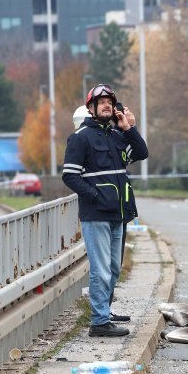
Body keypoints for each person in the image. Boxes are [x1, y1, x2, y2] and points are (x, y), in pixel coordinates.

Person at [62, 84, 148, 337]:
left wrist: (129, 128)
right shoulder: (80, 138)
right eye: (101, 103)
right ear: (91, 108)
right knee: (100, 268)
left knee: (113, 268)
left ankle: (104, 315)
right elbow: (70, 176)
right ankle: (99, 322)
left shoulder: (117, 137)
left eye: (110, 102)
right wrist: (95, 197)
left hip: (119, 214)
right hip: (97, 214)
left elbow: (141, 153)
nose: (107, 106)